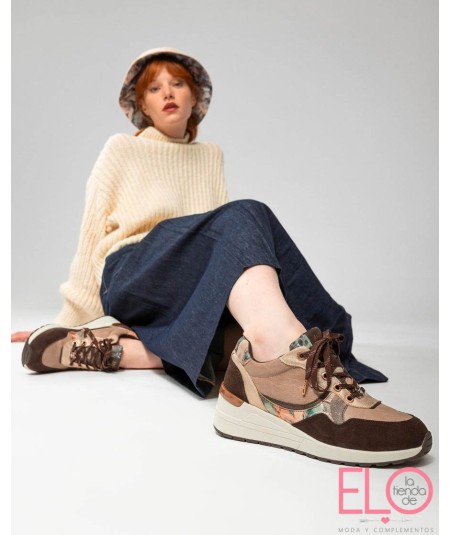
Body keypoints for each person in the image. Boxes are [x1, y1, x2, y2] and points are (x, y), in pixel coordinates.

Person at [11, 47, 432, 466]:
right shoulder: (121, 149)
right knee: (245, 216)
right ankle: (280, 371)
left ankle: (126, 352)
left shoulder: (209, 156)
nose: (167, 93)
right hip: (135, 273)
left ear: (195, 97)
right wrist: (71, 316)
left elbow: (224, 251)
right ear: (142, 106)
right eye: (154, 89)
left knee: (326, 325)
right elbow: (91, 232)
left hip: (185, 282)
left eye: (178, 84)